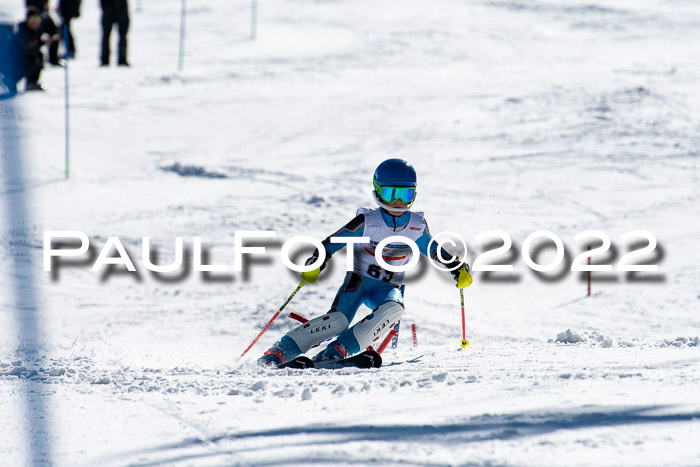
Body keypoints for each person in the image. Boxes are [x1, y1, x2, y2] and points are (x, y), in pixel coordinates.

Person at [258, 158, 473, 367]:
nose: (398, 202)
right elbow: (333, 242)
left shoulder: (416, 225)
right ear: (378, 192)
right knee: (338, 322)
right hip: (358, 283)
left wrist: (456, 267)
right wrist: (318, 260)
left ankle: (337, 351)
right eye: (391, 194)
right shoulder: (368, 221)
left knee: (394, 308)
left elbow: (433, 249)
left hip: (387, 287)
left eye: (405, 194)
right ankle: (280, 351)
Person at [13, 7, 50, 91]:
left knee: (39, 56)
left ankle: (31, 83)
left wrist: (43, 42)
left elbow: (34, 47)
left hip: (24, 61)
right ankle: (11, 82)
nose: (35, 22)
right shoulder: (22, 32)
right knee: (34, 59)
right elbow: (27, 50)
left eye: (38, 19)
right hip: (14, 64)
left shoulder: (34, 32)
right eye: (33, 19)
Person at [25, 0, 61, 65]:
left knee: (55, 34)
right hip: (34, 15)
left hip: (43, 15)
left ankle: (53, 59)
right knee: (34, 40)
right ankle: (33, 59)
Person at [100, 0, 129, 66]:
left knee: (108, 36)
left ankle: (107, 60)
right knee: (107, 36)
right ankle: (107, 60)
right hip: (113, 7)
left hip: (113, 8)